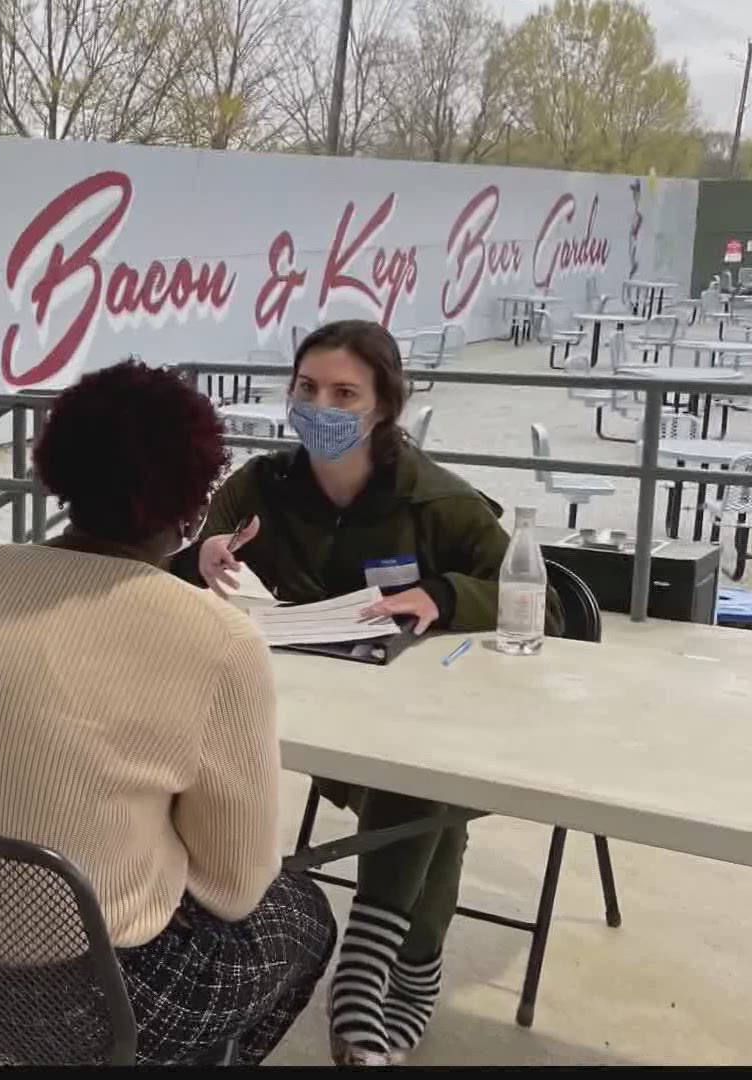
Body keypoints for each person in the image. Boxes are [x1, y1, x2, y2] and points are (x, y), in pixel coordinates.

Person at [0, 360, 335, 1066]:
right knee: (303, 912)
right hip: (91, 1000)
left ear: (56, 470)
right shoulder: (216, 639)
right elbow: (233, 886)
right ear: (194, 505)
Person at [172, 319, 554, 1065]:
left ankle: (371, 970)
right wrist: (200, 557)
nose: (321, 405)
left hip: (435, 723)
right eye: (308, 388)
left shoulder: (439, 504)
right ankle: (406, 974)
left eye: (345, 393)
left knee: (422, 779)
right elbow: (180, 589)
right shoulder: (258, 490)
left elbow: (544, 604)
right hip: (295, 720)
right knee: (418, 790)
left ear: (385, 407)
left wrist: (442, 595)